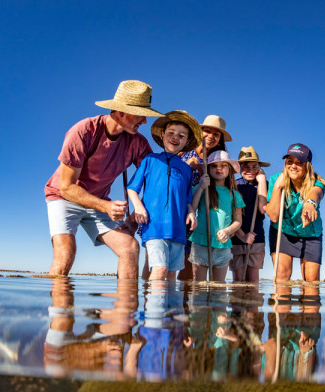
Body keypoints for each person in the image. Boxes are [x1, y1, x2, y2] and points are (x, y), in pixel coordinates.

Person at [44, 80, 162, 278]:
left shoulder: (138, 143)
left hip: (98, 203)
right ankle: (59, 300)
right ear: (120, 112)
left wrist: (134, 218)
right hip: (64, 197)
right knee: (65, 255)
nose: (144, 121)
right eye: (140, 115)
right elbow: (66, 187)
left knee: (130, 248)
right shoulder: (83, 131)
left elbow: (154, 181)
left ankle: (124, 299)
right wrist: (106, 206)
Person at [126, 111, 201, 281]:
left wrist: (191, 212)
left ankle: (170, 301)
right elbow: (132, 188)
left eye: (181, 136)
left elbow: (187, 200)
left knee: (172, 274)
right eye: (171, 133)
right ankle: (153, 300)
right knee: (160, 270)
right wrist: (138, 207)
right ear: (162, 135)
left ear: (187, 141)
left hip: (178, 229)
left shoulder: (186, 169)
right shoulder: (150, 160)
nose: (175, 137)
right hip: (154, 225)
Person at [176, 115, 231, 280]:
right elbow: (170, 176)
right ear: (199, 132)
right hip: (176, 208)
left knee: (188, 262)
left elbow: (220, 188)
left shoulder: (216, 161)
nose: (211, 136)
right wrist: (187, 167)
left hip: (196, 218)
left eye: (216, 134)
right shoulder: (183, 150)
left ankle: (185, 297)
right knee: (164, 259)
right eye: (207, 131)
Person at [264, 143, 325, 282]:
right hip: (283, 231)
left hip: (310, 234)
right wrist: (278, 187)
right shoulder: (276, 179)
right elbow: (274, 216)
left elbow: (316, 193)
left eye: (299, 163)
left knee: (311, 281)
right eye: (290, 161)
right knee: (281, 277)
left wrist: (310, 203)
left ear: (308, 166)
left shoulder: (317, 182)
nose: (293, 166)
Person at [188, 150, 245, 281]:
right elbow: (192, 208)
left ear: (229, 169)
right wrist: (201, 187)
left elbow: (238, 221)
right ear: (208, 169)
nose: (219, 168)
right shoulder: (202, 188)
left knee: (218, 287)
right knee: (199, 286)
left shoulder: (234, 194)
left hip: (223, 245)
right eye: (214, 166)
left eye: (223, 165)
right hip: (201, 242)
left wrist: (227, 231)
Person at [230, 146, 270, 282]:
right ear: (239, 168)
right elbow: (230, 214)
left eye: (254, 167)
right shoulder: (234, 185)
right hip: (236, 236)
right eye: (246, 167)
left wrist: (262, 181)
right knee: (238, 279)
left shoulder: (265, 185)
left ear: (259, 168)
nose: (250, 170)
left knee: (253, 280)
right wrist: (241, 235)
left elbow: (263, 209)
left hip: (256, 237)